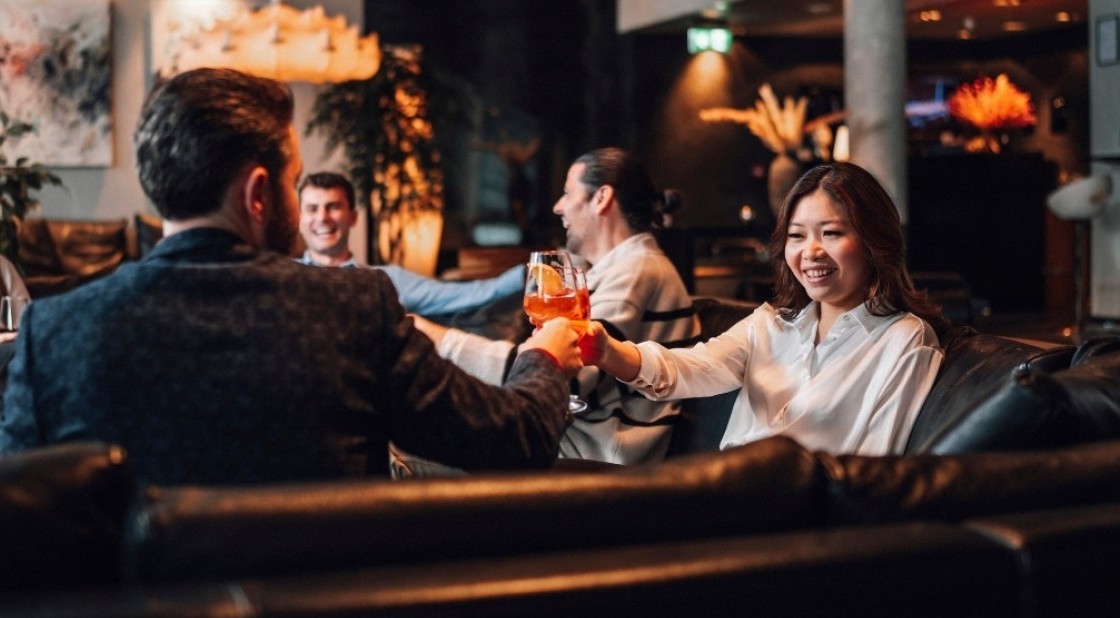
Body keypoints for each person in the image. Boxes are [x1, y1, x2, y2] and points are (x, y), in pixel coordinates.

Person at [0, 67, 582, 484]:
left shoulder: (52, 333)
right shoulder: (353, 309)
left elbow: (22, 518)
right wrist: (546, 356)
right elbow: (514, 439)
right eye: (293, 180)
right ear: (258, 193)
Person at [581, 161, 948, 456]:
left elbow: (880, 465)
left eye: (831, 233)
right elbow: (690, 368)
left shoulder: (904, 339)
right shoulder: (771, 323)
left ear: (874, 242)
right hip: (728, 491)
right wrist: (606, 350)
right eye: (797, 235)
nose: (811, 252)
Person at [413, 147, 700, 466]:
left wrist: (438, 339)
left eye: (567, 193)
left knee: (411, 451)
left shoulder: (637, 270)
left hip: (596, 454)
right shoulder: (614, 269)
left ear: (601, 198)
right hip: (574, 437)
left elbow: (562, 373)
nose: (557, 206)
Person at [297, 171, 525, 316]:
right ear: (300, 218)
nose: (322, 218)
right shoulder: (282, 277)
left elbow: (467, 293)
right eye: (312, 209)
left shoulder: (385, 281)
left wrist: (530, 273)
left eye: (333, 207)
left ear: (353, 217)